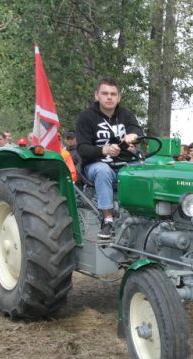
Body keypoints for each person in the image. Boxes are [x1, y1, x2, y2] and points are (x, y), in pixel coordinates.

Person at [76, 76, 143, 238]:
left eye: (113, 94)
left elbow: (137, 130)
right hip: (95, 165)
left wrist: (132, 135)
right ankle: (107, 220)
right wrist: (104, 150)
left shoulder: (125, 114)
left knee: (145, 171)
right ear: (96, 95)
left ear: (118, 97)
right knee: (102, 170)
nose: (109, 97)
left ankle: (144, 219)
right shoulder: (86, 117)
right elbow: (82, 149)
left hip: (124, 165)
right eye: (105, 93)